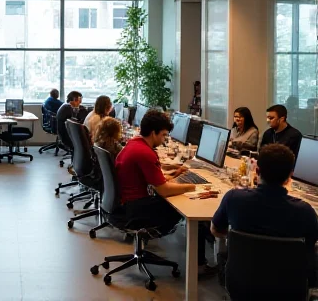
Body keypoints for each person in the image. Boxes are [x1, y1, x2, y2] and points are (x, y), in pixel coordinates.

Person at [115, 110, 216, 276]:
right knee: (191, 205)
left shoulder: (135, 144)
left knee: (181, 195)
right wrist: (192, 187)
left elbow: (154, 178)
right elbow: (164, 190)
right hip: (137, 209)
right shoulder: (145, 152)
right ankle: (199, 266)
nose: (163, 141)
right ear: (153, 133)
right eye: (163, 135)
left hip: (128, 202)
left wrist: (175, 176)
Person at [211, 144, 318, 286]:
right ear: (289, 176)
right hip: (288, 288)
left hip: (241, 284)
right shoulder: (305, 212)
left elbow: (215, 229)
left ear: (257, 170)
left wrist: (234, 237)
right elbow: (310, 245)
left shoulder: (234, 198)